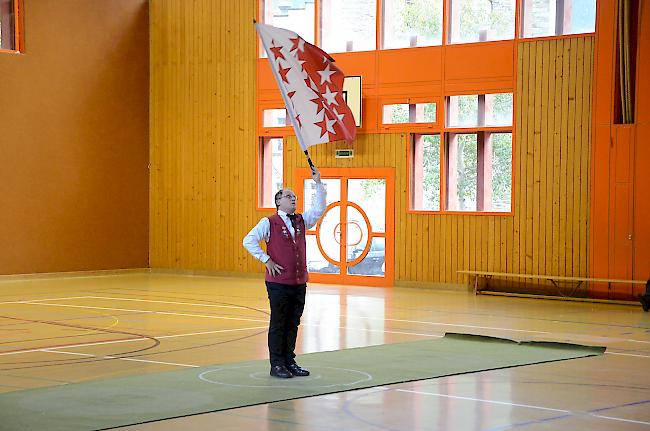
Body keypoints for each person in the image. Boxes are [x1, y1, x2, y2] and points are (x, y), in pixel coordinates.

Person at [243, 167, 326, 378]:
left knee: (293, 322)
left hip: (298, 282)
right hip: (278, 283)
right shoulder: (268, 222)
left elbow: (318, 209)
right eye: (288, 196)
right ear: (278, 201)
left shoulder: (300, 220)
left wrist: (318, 184)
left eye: (295, 196)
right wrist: (266, 259)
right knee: (279, 322)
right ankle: (276, 364)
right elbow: (248, 240)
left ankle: (290, 361)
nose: (293, 199)